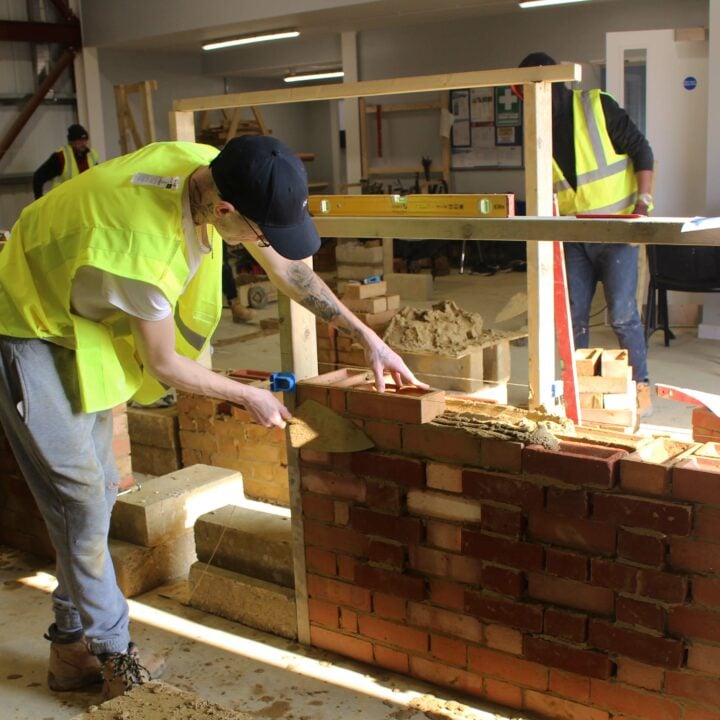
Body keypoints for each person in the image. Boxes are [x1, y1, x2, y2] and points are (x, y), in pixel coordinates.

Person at [0, 135, 426, 700]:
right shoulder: (139, 253)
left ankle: (70, 646)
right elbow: (165, 364)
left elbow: (290, 271)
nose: (262, 245)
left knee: (96, 495)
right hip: (26, 324)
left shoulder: (219, 169)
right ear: (224, 212)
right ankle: (113, 655)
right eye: (258, 233)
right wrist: (246, 395)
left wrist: (367, 337)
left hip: (78, 314)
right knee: (77, 500)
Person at [517, 52, 654, 414]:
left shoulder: (597, 107)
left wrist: (644, 203)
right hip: (573, 234)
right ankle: (577, 389)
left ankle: (640, 386)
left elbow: (642, 151)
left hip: (617, 227)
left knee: (623, 314)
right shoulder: (536, 128)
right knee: (573, 313)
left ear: (556, 85)